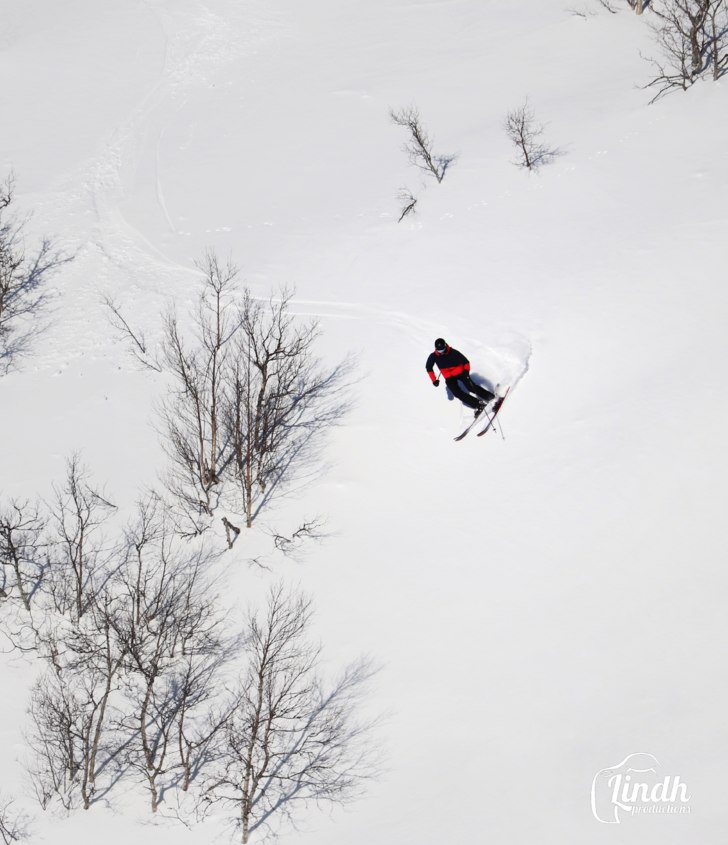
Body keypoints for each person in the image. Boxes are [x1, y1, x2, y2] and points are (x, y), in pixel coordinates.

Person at [426, 337, 495, 416]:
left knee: (471, 387)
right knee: (457, 393)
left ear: (445, 346)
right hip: (449, 377)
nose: (441, 352)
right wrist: (434, 380)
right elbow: (429, 367)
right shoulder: (433, 356)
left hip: (460, 373)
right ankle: (478, 405)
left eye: (442, 350)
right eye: (439, 350)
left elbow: (466, 362)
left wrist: (466, 372)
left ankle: (490, 397)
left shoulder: (453, 352)